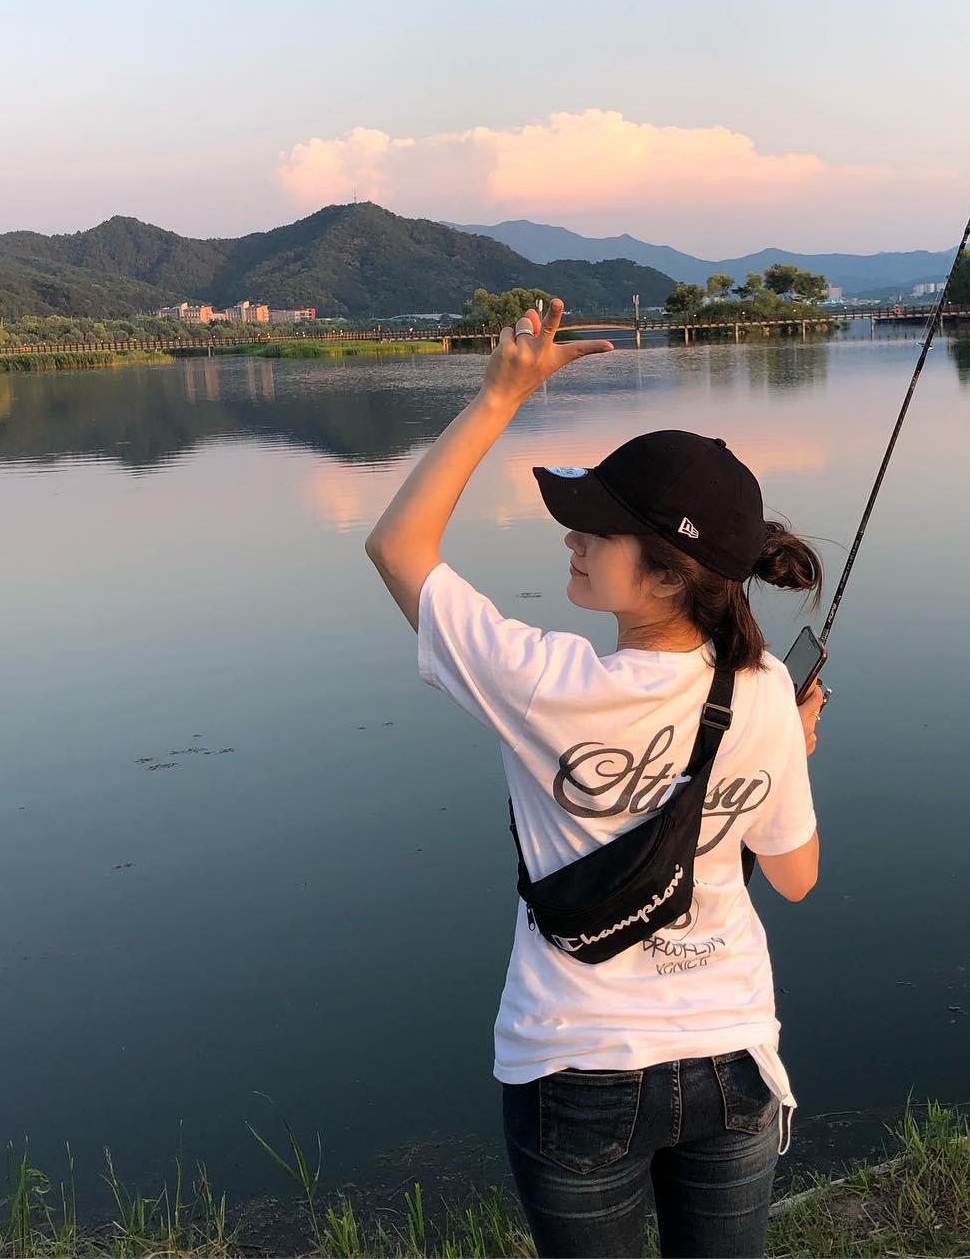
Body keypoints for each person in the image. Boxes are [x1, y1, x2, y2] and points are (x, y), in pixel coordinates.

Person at [366, 298, 826, 1259]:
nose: (571, 540)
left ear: (667, 575)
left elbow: (398, 547)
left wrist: (501, 396)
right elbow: (794, 877)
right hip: (731, 1057)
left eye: (596, 531)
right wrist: (783, 751)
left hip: (575, 1067)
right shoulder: (765, 693)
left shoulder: (545, 684)